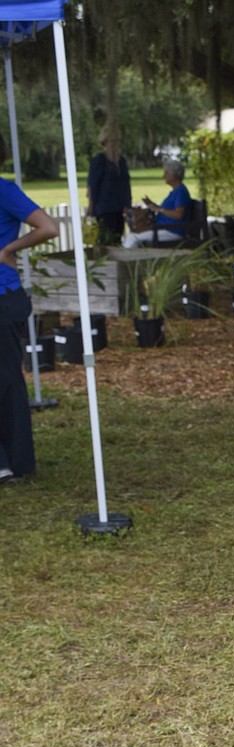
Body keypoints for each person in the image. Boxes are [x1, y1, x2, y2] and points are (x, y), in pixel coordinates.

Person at [0, 133, 59, 484]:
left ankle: (14, 463)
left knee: (7, 380)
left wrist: (8, 249)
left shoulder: (4, 190)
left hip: (3, 298)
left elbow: (48, 227)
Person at [122, 158, 190, 249]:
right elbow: (168, 210)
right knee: (132, 235)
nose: (163, 176)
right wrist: (153, 205)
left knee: (132, 237)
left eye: (166, 173)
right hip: (163, 229)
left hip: (172, 231)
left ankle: (125, 261)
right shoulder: (176, 191)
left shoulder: (181, 192)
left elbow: (178, 214)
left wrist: (159, 209)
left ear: (174, 175)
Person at [86, 126, 132, 244]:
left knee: (118, 238)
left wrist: (128, 204)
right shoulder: (99, 161)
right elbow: (92, 185)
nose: (114, 145)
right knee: (106, 239)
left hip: (120, 208)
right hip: (104, 208)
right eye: (111, 142)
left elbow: (126, 184)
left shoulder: (121, 161)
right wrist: (91, 208)